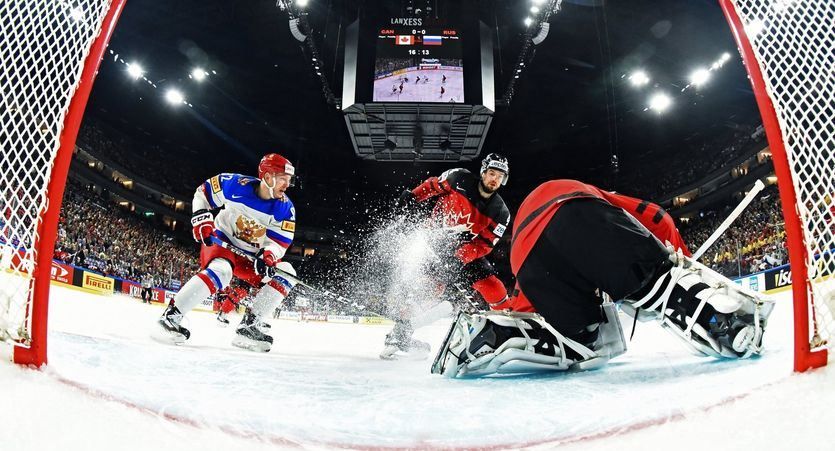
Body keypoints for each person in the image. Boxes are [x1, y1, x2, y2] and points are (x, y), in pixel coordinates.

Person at [433, 179, 774, 377]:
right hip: (567, 209)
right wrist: (677, 262)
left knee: (582, 340)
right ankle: (725, 324)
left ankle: (494, 335)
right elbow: (657, 216)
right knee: (654, 283)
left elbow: (528, 299)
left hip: (525, 257)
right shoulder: (599, 199)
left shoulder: (526, 226)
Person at [156, 153, 299, 352]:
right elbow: (203, 193)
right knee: (222, 270)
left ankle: (249, 326)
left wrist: (268, 255)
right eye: (283, 179)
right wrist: (201, 217)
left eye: (289, 180)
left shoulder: (286, 209)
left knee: (288, 272)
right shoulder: (235, 184)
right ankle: (171, 316)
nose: (287, 185)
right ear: (268, 177)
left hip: (251, 259)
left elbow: (279, 243)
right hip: (223, 243)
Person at [382, 153, 511, 359]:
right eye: (491, 173)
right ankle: (399, 334)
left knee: (493, 286)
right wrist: (412, 197)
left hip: (465, 252)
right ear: (483, 172)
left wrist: (460, 257)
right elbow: (432, 186)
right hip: (435, 244)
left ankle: (510, 327)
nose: (494, 179)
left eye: (500, 176)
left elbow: (485, 244)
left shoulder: (501, 212)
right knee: (427, 290)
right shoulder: (458, 177)